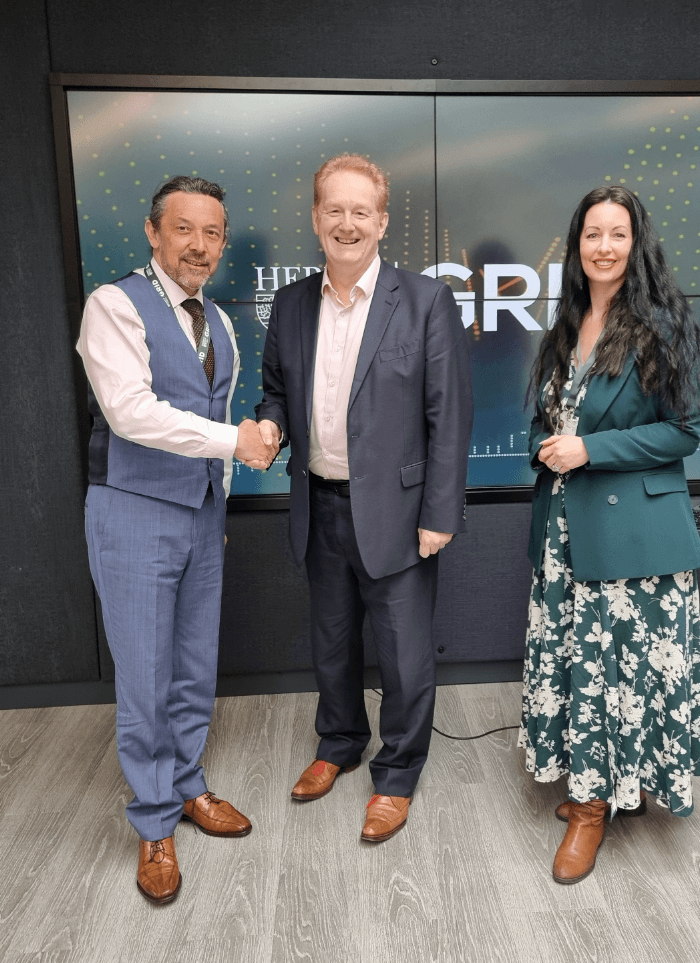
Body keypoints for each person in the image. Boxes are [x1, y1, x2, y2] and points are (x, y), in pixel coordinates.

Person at [255, 153, 473, 843]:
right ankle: (340, 743)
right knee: (331, 642)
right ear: (316, 219)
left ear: (381, 222)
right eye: (333, 210)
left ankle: (398, 772)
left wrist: (440, 512)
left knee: (405, 655)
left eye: (361, 211)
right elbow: (274, 389)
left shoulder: (427, 301)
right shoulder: (290, 303)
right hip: (318, 505)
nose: (346, 223)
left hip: (401, 515)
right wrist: (269, 420)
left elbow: (450, 417)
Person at [77, 175, 276, 904]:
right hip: (131, 511)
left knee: (194, 665)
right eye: (185, 229)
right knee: (145, 675)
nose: (200, 245)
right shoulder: (113, 305)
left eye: (213, 233)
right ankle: (154, 819)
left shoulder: (219, 323)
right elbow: (131, 411)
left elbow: (214, 429)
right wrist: (236, 439)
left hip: (198, 516)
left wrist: (216, 503)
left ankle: (188, 785)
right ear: (154, 232)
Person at [521, 185, 700, 884]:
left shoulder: (660, 324)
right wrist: (548, 442)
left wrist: (590, 451)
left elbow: (683, 431)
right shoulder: (565, 326)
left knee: (615, 677)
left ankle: (592, 805)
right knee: (584, 670)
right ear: (577, 247)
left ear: (637, 244)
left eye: (617, 234)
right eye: (591, 235)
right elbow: (555, 419)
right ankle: (602, 785)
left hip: (635, 541)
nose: (603, 247)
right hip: (565, 533)